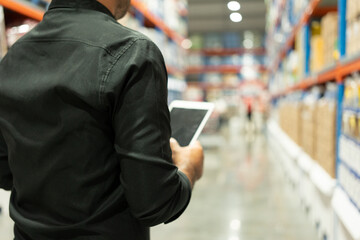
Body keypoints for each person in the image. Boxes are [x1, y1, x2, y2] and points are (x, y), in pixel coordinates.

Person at [0, 0, 204, 239]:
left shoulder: (11, 59)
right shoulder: (132, 52)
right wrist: (189, 167)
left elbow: (5, 173)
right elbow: (154, 202)